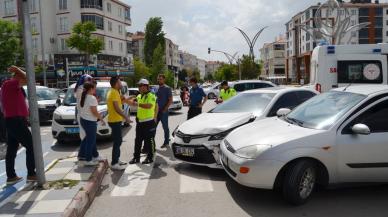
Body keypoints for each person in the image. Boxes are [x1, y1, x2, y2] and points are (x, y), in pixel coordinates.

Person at [2, 66, 36, 185]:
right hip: (16, 121)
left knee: (11, 149)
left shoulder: (14, 87)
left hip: (13, 120)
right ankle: (31, 174)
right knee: (31, 146)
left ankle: (11, 176)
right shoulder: (9, 84)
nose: (24, 82)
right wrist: (17, 69)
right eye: (21, 77)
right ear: (17, 77)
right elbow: (29, 79)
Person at [128, 79, 158, 165]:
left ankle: (150, 157)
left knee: (150, 141)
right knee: (137, 141)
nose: (139, 87)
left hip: (149, 122)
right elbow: (134, 103)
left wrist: (155, 117)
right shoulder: (139, 96)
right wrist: (126, 100)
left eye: (140, 86)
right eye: (138, 86)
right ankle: (136, 158)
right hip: (140, 122)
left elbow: (150, 106)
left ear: (145, 86)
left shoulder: (151, 95)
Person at [107, 76, 132, 171]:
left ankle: (116, 159)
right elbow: (117, 108)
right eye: (119, 82)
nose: (121, 83)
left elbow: (122, 101)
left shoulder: (116, 92)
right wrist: (126, 117)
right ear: (116, 83)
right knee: (117, 142)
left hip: (116, 120)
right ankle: (114, 163)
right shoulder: (113, 92)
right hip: (114, 121)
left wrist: (131, 97)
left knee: (118, 141)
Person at [78, 82, 105, 166]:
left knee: (88, 139)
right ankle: (88, 159)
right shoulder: (92, 98)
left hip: (84, 120)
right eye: (94, 88)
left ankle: (88, 155)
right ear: (90, 89)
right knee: (91, 140)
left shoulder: (83, 97)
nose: (95, 90)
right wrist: (101, 119)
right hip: (90, 121)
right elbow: (94, 111)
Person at [75, 75, 93, 161]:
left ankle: (84, 154)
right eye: (89, 80)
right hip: (83, 116)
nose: (91, 81)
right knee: (85, 136)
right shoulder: (81, 89)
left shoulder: (80, 89)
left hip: (83, 115)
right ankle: (84, 154)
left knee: (86, 136)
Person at [156, 74, 172, 148]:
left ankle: (166, 142)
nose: (159, 80)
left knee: (165, 127)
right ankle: (151, 143)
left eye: (161, 79)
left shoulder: (167, 88)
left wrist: (165, 109)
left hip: (163, 112)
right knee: (153, 126)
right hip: (156, 111)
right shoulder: (157, 88)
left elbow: (170, 100)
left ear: (164, 80)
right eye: (158, 79)